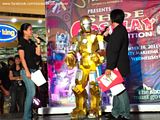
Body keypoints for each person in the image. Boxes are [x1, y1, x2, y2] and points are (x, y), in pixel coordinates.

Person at [65, 15, 105, 119]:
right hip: (82, 64)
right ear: (81, 25)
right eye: (85, 24)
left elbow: (102, 51)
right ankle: (80, 108)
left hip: (93, 64)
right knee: (78, 87)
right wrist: (70, 56)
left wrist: (98, 56)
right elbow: (73, 49)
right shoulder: (78, 37)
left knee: (93, 86)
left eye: (88, 24)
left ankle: (95, 107)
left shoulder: (97, 36)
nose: (87, 26)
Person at [104, 9, 130, 120]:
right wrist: (105, 36)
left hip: (117, 67)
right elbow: (113, 42)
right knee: (115, 90)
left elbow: (113, 50)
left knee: (120, 91)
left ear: (112, 19)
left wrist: (109, 67)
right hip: (118, 66)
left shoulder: (118, 31)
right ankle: (116, 112)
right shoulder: (120, 30)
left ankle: (125, 114)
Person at [17, 23, 41, 120]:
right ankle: (26, 117)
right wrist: (27, 71)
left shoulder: (31, 42)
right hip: (27, 70)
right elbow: (22, 58)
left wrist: (38, 42)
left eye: (31, 29)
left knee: (36, 92)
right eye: (30, 29)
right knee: (31, 92)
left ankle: (31, 114)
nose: (31, 31)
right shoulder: (21, 42)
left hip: (35, 70)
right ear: (24, 31)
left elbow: (38, 53)